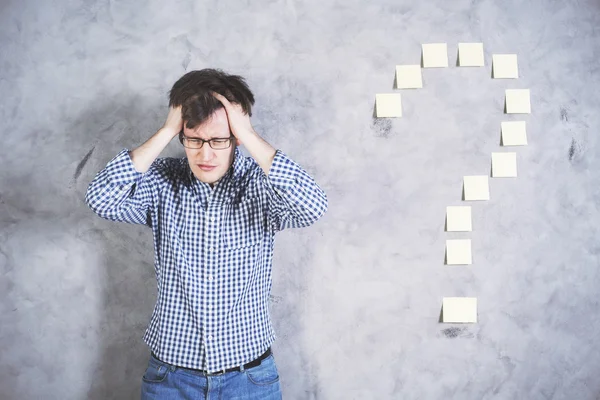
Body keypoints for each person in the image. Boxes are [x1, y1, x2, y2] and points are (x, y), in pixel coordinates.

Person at [85, 68, 328, 399]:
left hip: (249, 379)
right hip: (170, 378)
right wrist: (168, 129)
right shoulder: (161, 181)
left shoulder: (261, 184)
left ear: (236, 137)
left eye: (218, 140)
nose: (205, 154)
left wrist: (247, 132)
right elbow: (100, 198)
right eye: (194, 140)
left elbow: (312, 206)